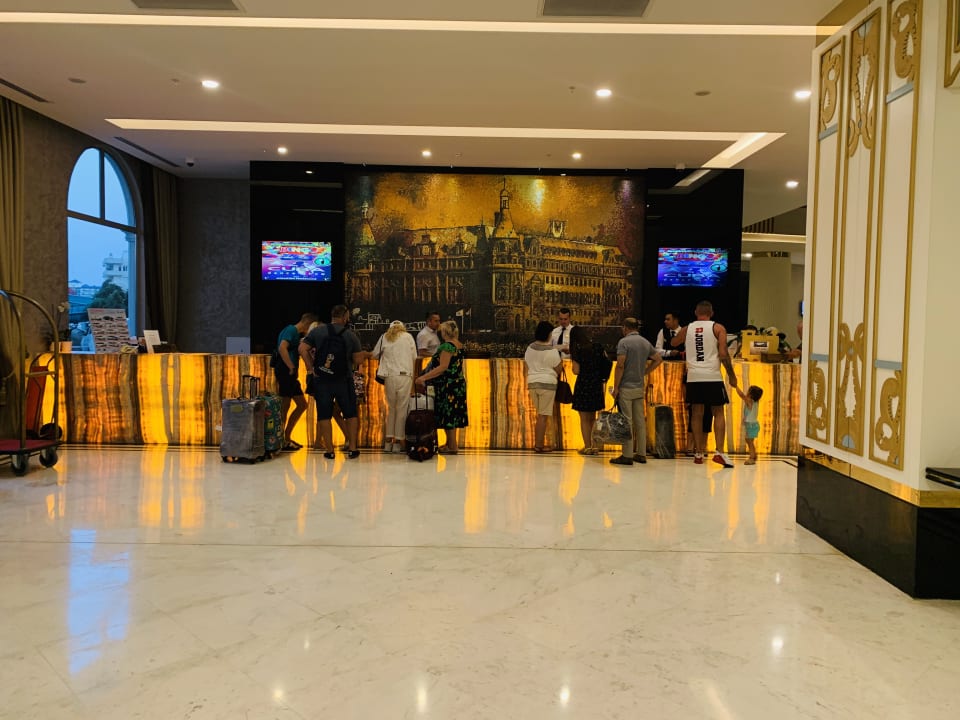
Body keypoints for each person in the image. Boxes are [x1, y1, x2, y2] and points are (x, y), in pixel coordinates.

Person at [671, 300, 738, 467]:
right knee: (718, 412)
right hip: (712, 376)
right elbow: (723, 354)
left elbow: (673, 343)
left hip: (694, 376)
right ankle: (720, 452)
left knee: (697, 413)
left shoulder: (688, 328)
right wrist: (731, 375)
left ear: (696, 312)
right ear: (712, 313)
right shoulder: (718, 328)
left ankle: (699, 452)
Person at [299, 305, 370, 459]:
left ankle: (329, 451)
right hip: (343, 380)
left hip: (322, 380)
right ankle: (352, 448)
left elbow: (302, 348)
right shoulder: (351, 335)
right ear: (344, 317)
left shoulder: (317, 332)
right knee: (350, 414)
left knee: (324, 415)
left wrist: (311, 368)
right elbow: (358, 359)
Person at [610, 317, 663, 466]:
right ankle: (641, 453)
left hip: (626, 386)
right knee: (640, 421)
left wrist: (616, 387)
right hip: (639, 386)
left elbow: (620, 365)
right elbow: (658, 359)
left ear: (625, 328)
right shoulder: (645, 342)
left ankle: (627, 455)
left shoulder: (624, 342)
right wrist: (645, 372)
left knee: (627, 421)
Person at [415, 320, 468, 453]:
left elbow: (443, 367)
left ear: (444, 332)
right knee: (453, 415)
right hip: (458, 384)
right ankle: (450, 443)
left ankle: (453, 446)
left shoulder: (446, 347)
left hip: (447, 385)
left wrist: (423, 377)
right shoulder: (459, 345)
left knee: (448, 415)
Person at [273, 312, 318, 451]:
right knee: (284, 407)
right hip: (286, 372)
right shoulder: (291, 330)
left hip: (290, 374)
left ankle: (286, 436)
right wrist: (291, 365)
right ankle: (281, 439)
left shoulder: (295, 333)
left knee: (301, 404)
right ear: (307, 323)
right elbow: (282, 347)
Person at [373, 320, 418, 453]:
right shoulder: (408, 337)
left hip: (390, 376)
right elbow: (414, 356)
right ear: (402, 328)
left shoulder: (384, 337)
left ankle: (388, 442)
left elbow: (375, 354)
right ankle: (397, 443)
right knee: (402, 409)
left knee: (392, 408)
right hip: (405, 375)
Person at [569, 325, 610, 456]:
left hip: (583, 384)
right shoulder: (597, 346)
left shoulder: (577, 349)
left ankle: (587, 447)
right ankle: (594, 446)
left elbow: (576, 370)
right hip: (596, 384)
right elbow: (606, 362)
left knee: (584, 418)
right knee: (592, 418)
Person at [524, 320, 563, 453]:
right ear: (548, 334)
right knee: (543, 415)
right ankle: (539, 445)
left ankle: (539, 443)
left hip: (532, 383)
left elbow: (526, 366)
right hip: (547, 384)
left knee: (540, 414)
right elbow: (558, 369)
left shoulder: (529, 348)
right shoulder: (552, 351)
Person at [734, 384, 764, 465]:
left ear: (750, 394)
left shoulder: (749, 401)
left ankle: (752, 458)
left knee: (749, 441)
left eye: (748, 391)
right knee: (750, 441)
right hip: (753, 425)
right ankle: (754, 454)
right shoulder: (755, 402)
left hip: (751, 426)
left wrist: (736, 386)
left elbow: (741, 395)